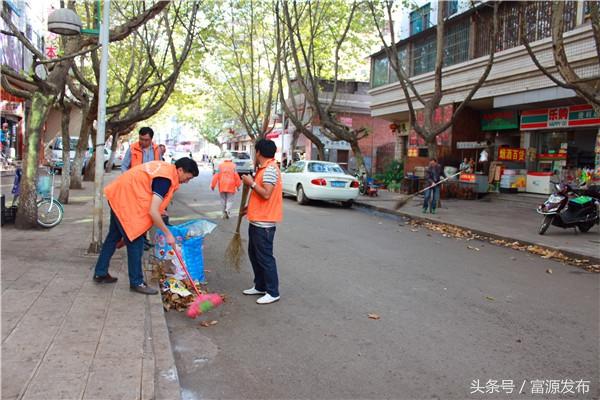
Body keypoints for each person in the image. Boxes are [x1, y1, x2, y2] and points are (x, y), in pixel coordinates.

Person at [93, 158, 199, 294]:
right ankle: (137, 282)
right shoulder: (165, 179)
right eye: (187, 177)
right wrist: (168, 234)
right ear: (180, 170)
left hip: (120, 195)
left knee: (113, 237)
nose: (186, 181)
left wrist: (161, 210)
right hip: (126, 201)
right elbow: (153, 211)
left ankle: (100, 273)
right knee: (135, 241)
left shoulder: (166, 169)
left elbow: (152, 198)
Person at [240, 139, 282, 305]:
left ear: (258, 152)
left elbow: (266, 194)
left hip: (264, 224)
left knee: (265, 258)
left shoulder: (270, 169)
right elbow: (260, 197)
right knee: (254, 255)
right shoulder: (264, 169)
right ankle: (260, 285)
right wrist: (249, 208)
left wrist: (251, 183)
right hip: (257, 220)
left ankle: (273, 292)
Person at [211, 152, 242, 219]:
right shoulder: (233, 166)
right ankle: (227, 210)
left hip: (222, 185)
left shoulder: (220, 165)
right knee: (230, 200)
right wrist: (238, 185)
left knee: (223, 199)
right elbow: (236, 176)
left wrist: (213, 185)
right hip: (231, 185)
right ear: (231, 159)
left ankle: (223, 213)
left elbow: (216, 175)